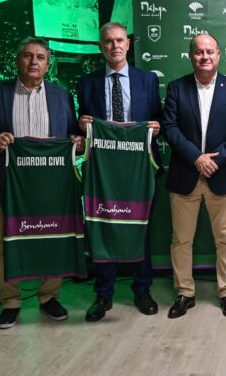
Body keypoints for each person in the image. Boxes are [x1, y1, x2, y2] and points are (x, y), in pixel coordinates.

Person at [0, 37, 83, 329]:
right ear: (17, 60)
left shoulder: (61, 96)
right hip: (8, 185)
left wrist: (78, 142)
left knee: (52, 240)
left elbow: (72, 137)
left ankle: (49, 296)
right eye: (28, 56)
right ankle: (11, 301)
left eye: (41, 57)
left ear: (48, 63)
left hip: (51, 186)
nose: (34, 62)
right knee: (5, 244)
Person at [77, 22, 163, 322]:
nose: (114, 46)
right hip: (103, 171)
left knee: (139, 227)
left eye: (119, 40)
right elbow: (81, 123)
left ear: (128, 44)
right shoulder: (86, 83)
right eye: (108, 42)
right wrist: (81, 124)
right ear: (101, 46)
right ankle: (104, 294)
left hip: (137, 168)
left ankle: (142, 290)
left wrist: (156, 126)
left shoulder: (147, 80)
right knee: (103, 226)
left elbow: (157, 118)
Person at [162, 34, 226, 319]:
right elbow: (170, 128)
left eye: (210, 51)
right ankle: (185, 293)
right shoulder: (176, 88)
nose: (205, 57)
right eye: (199, 52)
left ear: (219, 54)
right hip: (185, 173)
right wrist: (196, 158)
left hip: (221, 175)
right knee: (181, 240)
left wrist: (217, 159)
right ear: (191, 56)